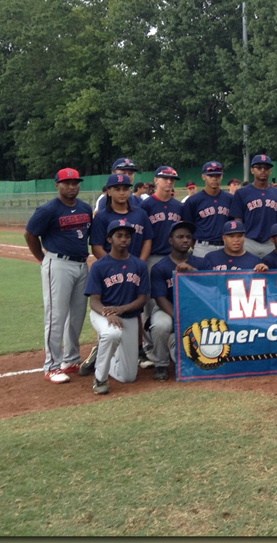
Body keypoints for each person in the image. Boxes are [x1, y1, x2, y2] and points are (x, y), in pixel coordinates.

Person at [24, 168, 92, 384]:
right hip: (58, 263)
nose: (72, 187)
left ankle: (71, 360)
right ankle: (52, 365)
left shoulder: (85, 208)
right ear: (57, 185)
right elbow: (30, 234)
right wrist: (42, 259)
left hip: (81, 264)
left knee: (77, 315)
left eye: (75, 183)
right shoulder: (48, 209)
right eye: (67, 183)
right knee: (56, 316)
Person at [84, 219, 150, 395]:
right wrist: (108, 313)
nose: (124, 239)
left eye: (127, 236)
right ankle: (100, 379)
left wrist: (121, 310)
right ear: (109, 239)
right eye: (119, 235)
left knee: (128, 377)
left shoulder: (139, 265)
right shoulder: (99, 266)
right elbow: (94, 301)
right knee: (111, 333)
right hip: (102, 314)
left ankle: (102, 356)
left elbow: (142, 299)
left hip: (127, 315)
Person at [147, 221, 209, 381]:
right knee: (161, 325)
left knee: (196, 361)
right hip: (167, 308)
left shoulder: (201, 263)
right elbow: (160, 298)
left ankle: (176, 344)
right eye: (180, 237)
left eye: (188, 237)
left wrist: (193, 272)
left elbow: (208, 290)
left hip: (196, 309)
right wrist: (180, 317)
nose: (185, 240)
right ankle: (161, 364)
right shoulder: (160, 267)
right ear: (170, 240)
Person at [137, 165, 185, 368]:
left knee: (176, 299)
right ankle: (149, 349)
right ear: (156, 180)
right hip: (152, 257)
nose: (169, 182)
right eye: (165, 178)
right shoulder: (146, 206)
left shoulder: (178, 207)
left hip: (175, 258)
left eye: (172, 179)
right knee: (148, 304)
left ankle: (175, 344)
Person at [230, 154, 277, 258]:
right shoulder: (242, 193)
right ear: (252, 170)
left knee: (271, 273)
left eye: (266, 168)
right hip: (248, 241)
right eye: (259, 167)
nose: (263, 170)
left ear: (270, 171)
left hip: (270, 242)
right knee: (247, 273)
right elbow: (238, 220)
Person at [90, 173, 152, 263]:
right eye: (117, 189)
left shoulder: (141, 214)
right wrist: (114, 265)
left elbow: (147, 240)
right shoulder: (101, 217)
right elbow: (97, 247)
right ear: (109, 192)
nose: (122, 193)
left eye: (125, 189)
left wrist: (140, 264)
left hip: (136, 267)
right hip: (111, 270)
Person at [181, 161, 232, 259]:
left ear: (221, 177)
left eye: (218, 175)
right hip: (202, 246)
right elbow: (188, 227)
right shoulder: (193, 200)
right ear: (203, 176)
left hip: (225, 246)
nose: (214, 178)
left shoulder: (230, 199)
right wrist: (194, 244)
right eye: (210, 175)